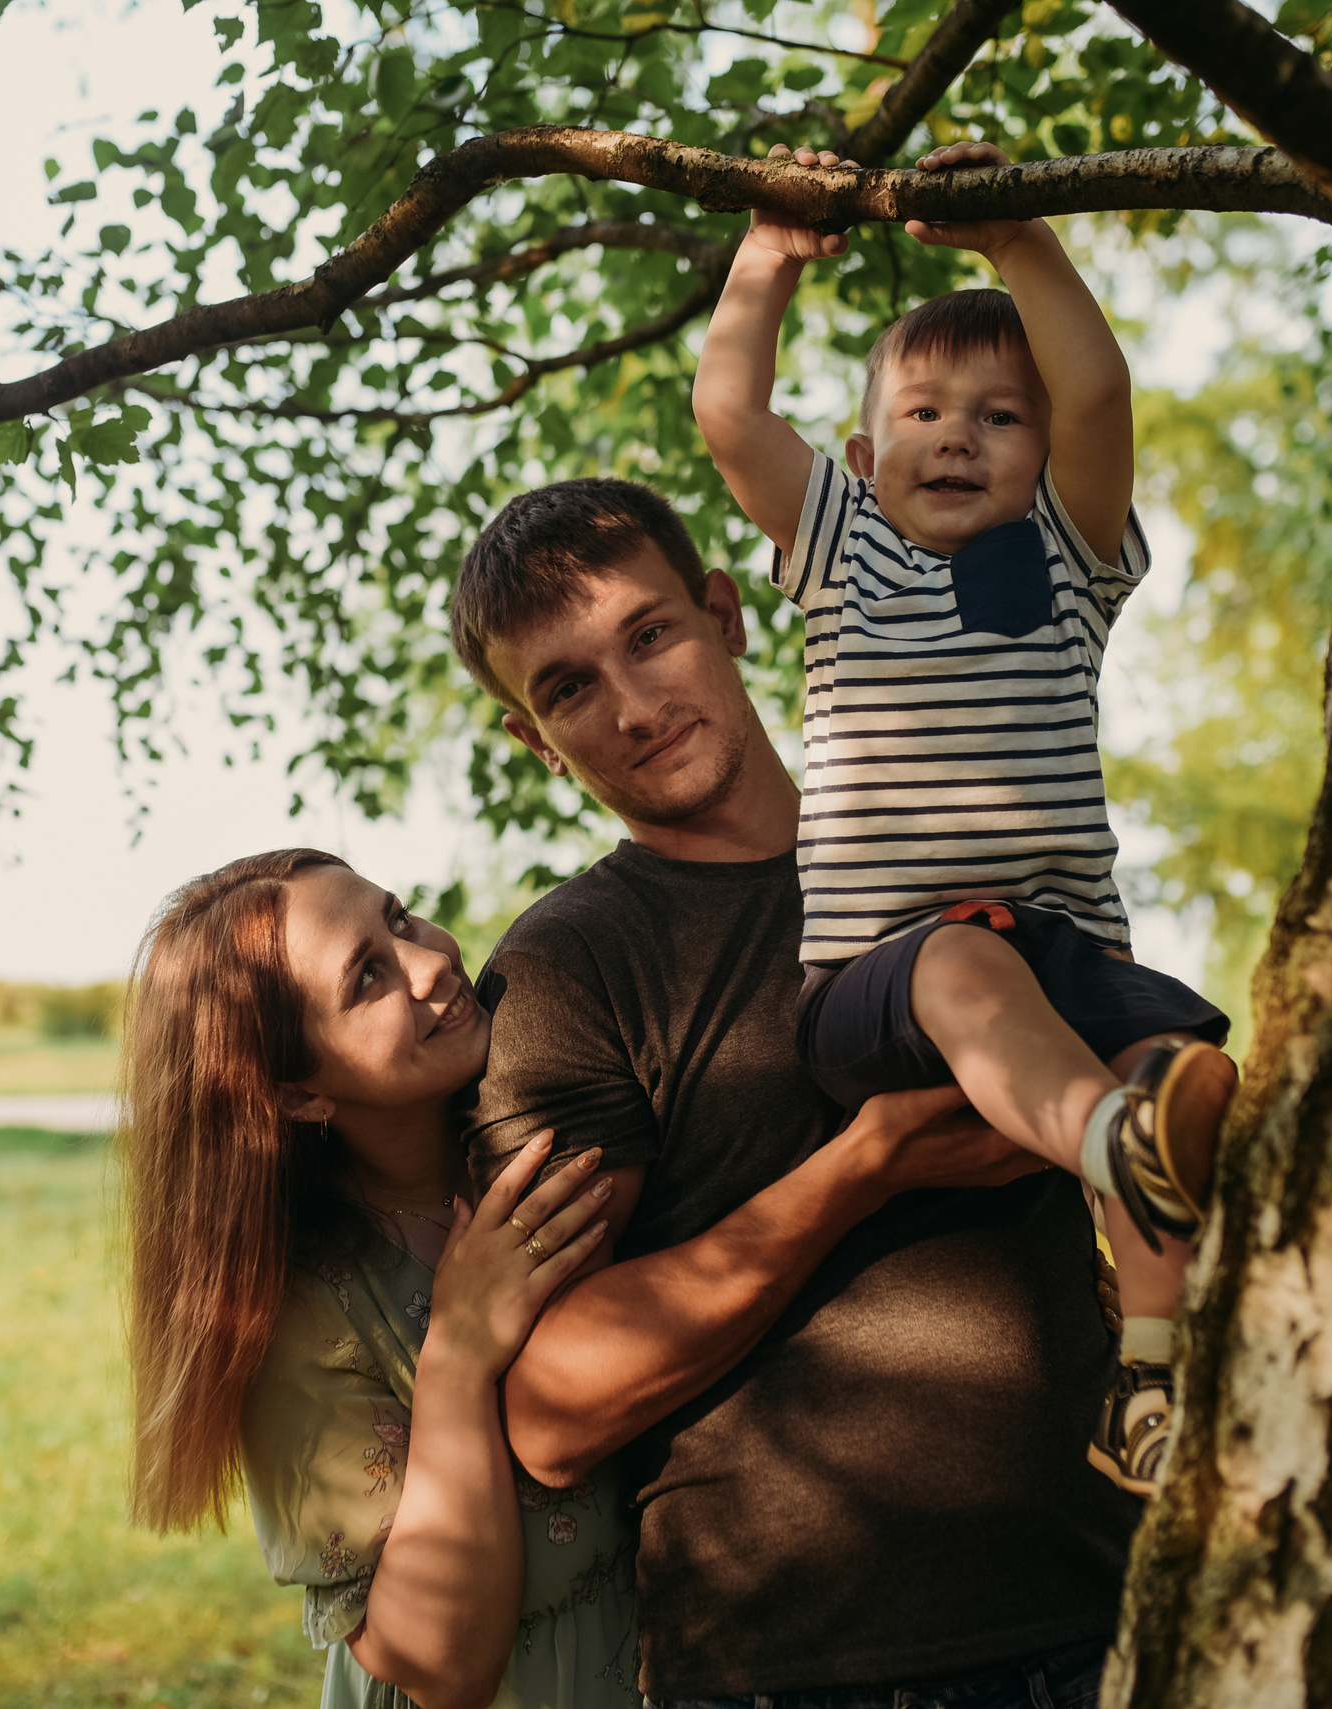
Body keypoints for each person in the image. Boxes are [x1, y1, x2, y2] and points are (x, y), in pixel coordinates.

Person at [450, 477, 1143, 1705]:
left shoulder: (959, 825)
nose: (630, 705)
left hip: (1116, 1611)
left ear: (724, 613)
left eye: (648, 633)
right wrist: (862, 1167)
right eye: (566, 687)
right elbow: (553, 1405)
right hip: (799, 1669)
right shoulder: (570, 968)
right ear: (533, 741)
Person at [691, 139, 1239, 1495]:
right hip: (884, 976)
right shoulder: (841, 549)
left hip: (1063, 957)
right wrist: (767, 249)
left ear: (1050, 458)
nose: (961, 434)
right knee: (965, 962)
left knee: (1174, 1057)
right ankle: (1109, 1143)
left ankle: (1152, 1376)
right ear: (868, 455)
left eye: (1003, 416)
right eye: (929, 412)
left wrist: (1019, 241)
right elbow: (730, 414)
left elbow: (1099, 384)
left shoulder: (1061, 561)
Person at [118, 848, 638, 1709]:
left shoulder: (557, 1121)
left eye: (399, 918)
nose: (435, 962)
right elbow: (443, 1663)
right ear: (295, 1094)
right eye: (368, 977)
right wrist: (458, 1359)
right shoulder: (297, 1311)